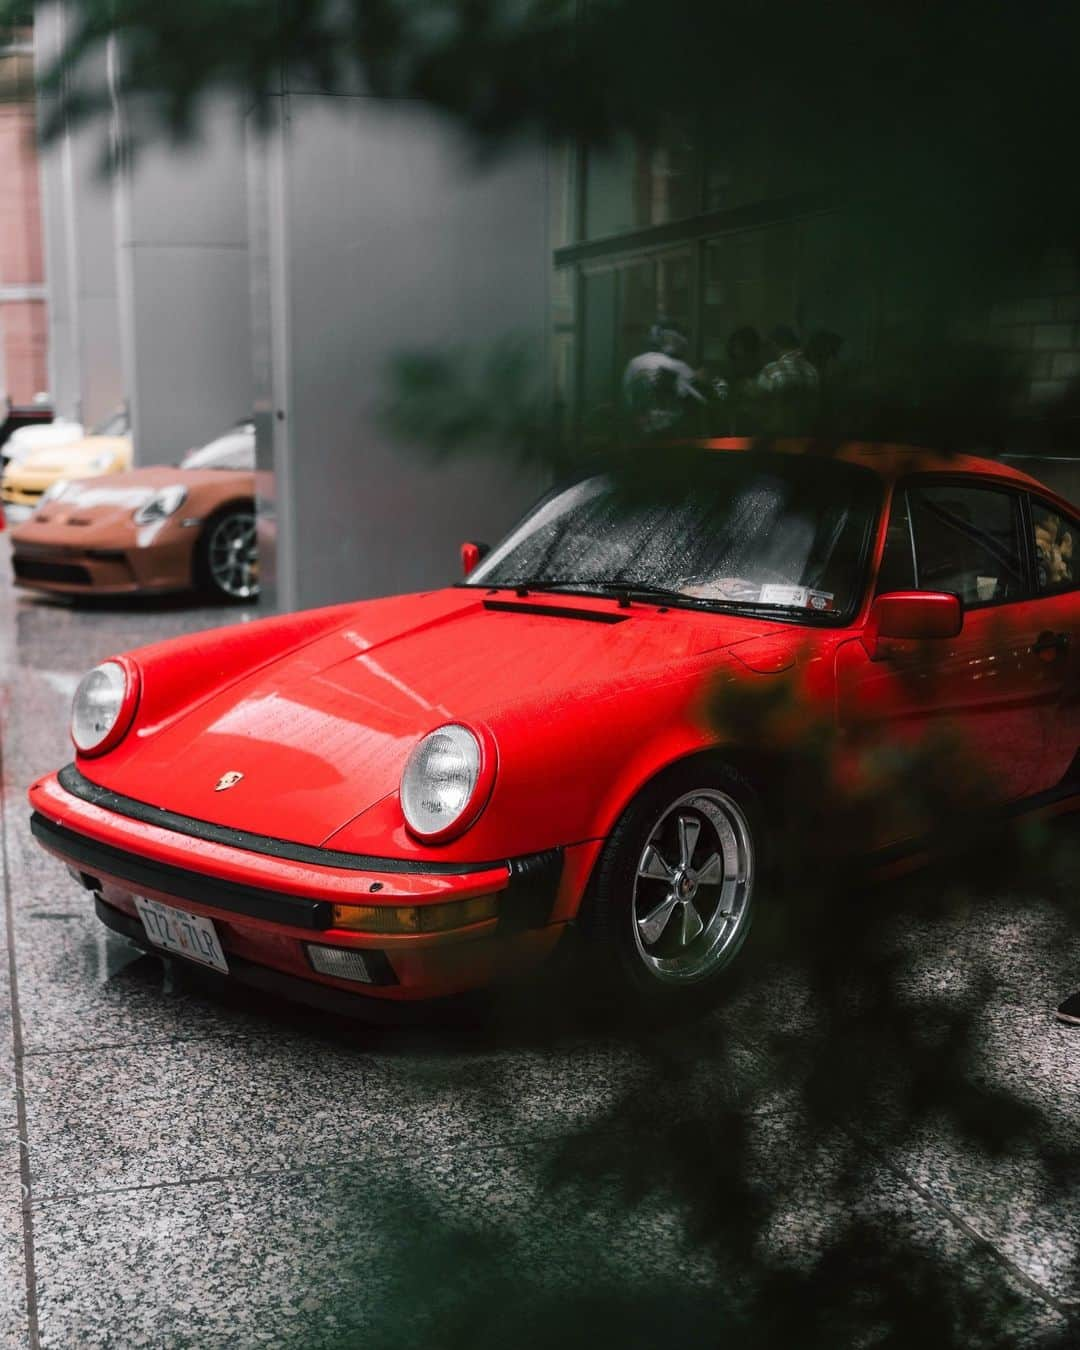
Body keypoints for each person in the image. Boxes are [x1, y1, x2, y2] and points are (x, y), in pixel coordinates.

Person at [622, 318, 706, 438]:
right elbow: (699, 407)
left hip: (636, 436)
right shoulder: (680, 367)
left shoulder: (633, 363)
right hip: (668, 438)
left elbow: (626, 400)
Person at [756, 325, 821, 393]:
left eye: (768, 345)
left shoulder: (771, 371)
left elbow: (759, 399)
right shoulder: (812, 370)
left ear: (774, 345)